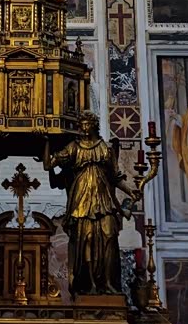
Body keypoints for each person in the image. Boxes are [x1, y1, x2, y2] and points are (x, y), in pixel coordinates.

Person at [43, 111, 136, 295]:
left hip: (103, 200)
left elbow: (116, 177)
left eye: (88, 124)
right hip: (82, 201)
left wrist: (130, 191)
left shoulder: (105, 149)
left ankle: (108, 283)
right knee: (86, 239)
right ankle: (89, 285)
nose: (85, 128)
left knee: (109, 237)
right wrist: (46, 142)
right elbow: (48, 165)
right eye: (82, 124)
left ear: (94, 125)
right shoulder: (73, 147)